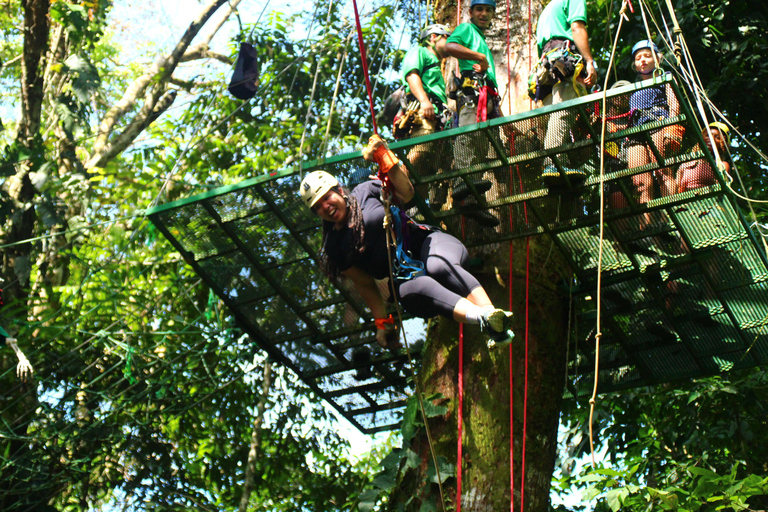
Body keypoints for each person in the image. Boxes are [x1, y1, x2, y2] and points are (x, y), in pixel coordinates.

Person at [299, 135, 514, 349]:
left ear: (338, 190)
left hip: (428, 244)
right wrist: (381, 323)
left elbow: (407, 192)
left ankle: (492, 314)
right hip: (406, 278)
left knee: (437, 265)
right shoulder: (335, 246)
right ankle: (483, 317)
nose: (325, 207)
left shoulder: (364, 192)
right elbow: (364, 284)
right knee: (410, 290)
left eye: (326, 198)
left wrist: (384, 156)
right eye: (318, 206)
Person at [443, 0, 502, 227]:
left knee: (481, 148)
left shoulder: (481, 38)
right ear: (470, 12)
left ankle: (474, 201)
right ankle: (461, 184)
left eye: (488, 10)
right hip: (471, 96)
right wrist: (478, 57)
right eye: (479, 9)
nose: (484, 14)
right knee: (467, 137)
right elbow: (449, 47)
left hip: (486, 98)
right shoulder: (467, 30)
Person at [536, 0, 597, 184]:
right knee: (565, 109)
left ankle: (560, 162)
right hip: (563, 59)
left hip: (547, 65)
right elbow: (577, 27)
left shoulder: (548, 9)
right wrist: (588, 61)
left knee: (557, 112)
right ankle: (553, 162)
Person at [626, 40, 681, 217]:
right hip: (636, 130)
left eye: (647, 56)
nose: (642, 60)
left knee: (662, 171)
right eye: (638, 58)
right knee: (640, 181)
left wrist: (672, 124)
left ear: (658, 59)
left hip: (657, 121)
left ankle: (672, 216)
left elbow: (674, 102)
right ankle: (646, 226)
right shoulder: (632, 88)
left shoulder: (664, 77)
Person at [396, 23, 452, 141]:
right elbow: (412, 76)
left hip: (436, 115)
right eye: (448, 38)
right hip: (424, 110)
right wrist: (424, 101)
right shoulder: (420, 51)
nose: (451, 43)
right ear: (433, 37)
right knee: (421, 150)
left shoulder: (435, 65)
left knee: (433, 157)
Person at [677, 121, 732, 193]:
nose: (711, 139)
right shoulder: (686, 165)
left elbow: (721, 191)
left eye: (717, 137)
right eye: (708, 135)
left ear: (722, 145)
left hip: (709, 202)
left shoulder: (721, 165)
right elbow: (678, 189)